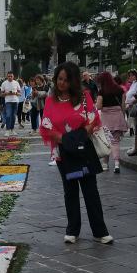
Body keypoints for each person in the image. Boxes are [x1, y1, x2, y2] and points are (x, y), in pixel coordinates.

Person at [40, 61, 112, 245]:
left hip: (83, 150)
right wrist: (66, 140)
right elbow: (46, 126)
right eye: (59, 79)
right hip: (63, 152)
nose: (61, 83)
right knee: (70, 190)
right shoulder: (50, 101)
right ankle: (73, 229)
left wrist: (77, 138)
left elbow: (92, 118)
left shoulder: (84, 97)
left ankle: (100, 231)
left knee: (90, 190)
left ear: (73, 81)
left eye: (66, 80)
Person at [96, 71, 127, 174]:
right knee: (116, 141)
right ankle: (117, 164)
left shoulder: (102, 91)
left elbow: (99, 106)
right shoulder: (120, 90)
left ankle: (105, 164)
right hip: (118, 117)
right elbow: (123, 106)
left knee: (106, 141)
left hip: (106, 118)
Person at [125, 69, 137, 156]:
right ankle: (136, 148)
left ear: (136, 75)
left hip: (136, 107)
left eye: (131, 75)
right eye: (129, 75)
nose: (130, 77)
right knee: (136, 128)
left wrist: (131, 103)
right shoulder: (133, 83)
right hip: (132, 107)